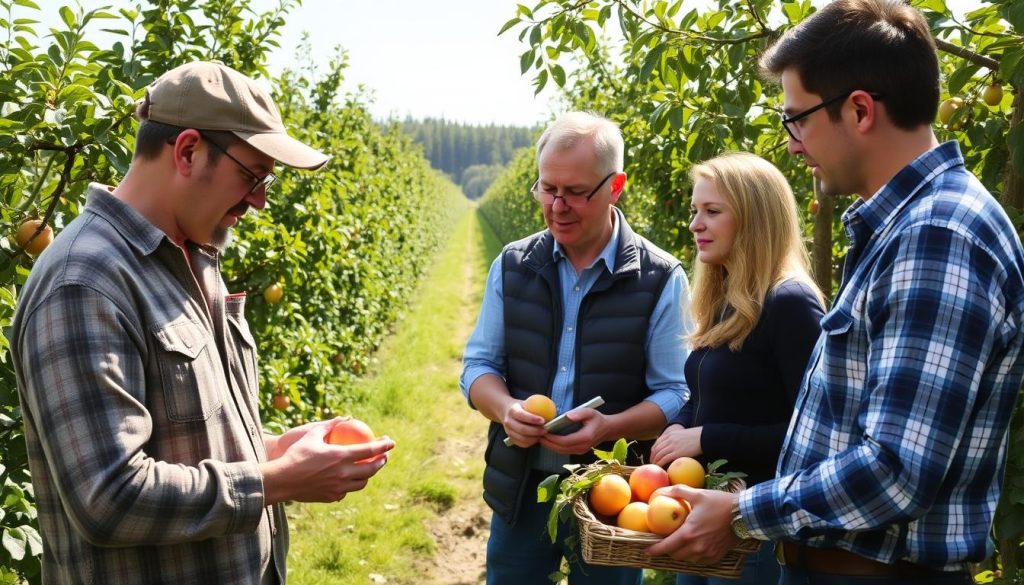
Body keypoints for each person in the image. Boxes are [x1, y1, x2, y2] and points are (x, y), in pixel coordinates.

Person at [646, 2, 1024, 584]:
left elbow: (896, 469)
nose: (793, 144)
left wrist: (743, 512)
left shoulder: (937, 236)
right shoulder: (907, 226)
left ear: (860, 110)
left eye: (797, 118)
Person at [10, 61, 396, 584]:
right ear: (188, 151)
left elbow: (185, 438)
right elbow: (109, 497)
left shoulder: (191, 259)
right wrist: (275, 481)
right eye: (252, 176)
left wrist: (271, 450)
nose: (259, 200)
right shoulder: (85, 282)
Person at [460, 111, 691, 584]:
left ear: (616, 186)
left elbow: (676, 392)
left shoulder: (660, 278)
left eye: (576, 192)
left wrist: (610, 427)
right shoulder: (513, 266)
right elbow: (478, 366)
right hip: (523, 488)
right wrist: (506, 410)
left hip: (616, 495)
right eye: (548, 188)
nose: (557, 205)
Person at [650, 152, 824, 585]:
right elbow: (715, 395)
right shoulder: (729, 299)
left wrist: (706, 437)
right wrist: (679, 427)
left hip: (756, 529)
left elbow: (814, 437)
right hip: (708, 512)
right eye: (695, 210)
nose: (695, 224)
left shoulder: (791, 305)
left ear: (754, 219)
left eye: (712, 211)